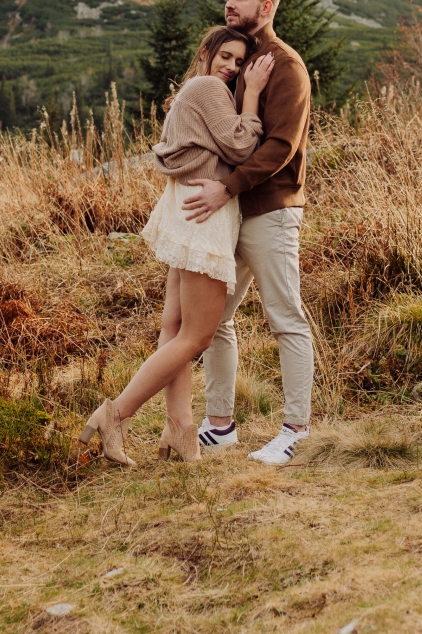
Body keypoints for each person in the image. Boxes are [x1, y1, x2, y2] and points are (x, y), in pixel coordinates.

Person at [79, 26, 276, 466]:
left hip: (188, 207)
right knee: (198, 335)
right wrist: (252, 94)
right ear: (206, 53)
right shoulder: (208, 87)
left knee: (175, 326)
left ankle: (181, 430)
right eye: (225, 56)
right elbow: (242, 146)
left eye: (239, 62)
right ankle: (116, 415)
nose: (231, 67)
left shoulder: (197, 90)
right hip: (204, 214)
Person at [183, 0, 315, 465]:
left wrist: (226, 188)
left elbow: (281, 146)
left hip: (270, 211)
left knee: (285, 317)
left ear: (267, 6)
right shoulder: (236, 62)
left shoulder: (287, 67)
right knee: (215, 318)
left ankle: (296, 430)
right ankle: (220, 426)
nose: (229, 4)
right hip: (231, 211)